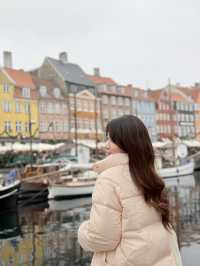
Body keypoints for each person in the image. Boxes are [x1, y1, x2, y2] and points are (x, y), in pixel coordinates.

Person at [78, 115, 182, 266]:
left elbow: (102, 239)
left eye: (112, 140)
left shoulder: (108, 179)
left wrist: (83, 230)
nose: (106, 145)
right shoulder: (149, 174)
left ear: (128, 143)